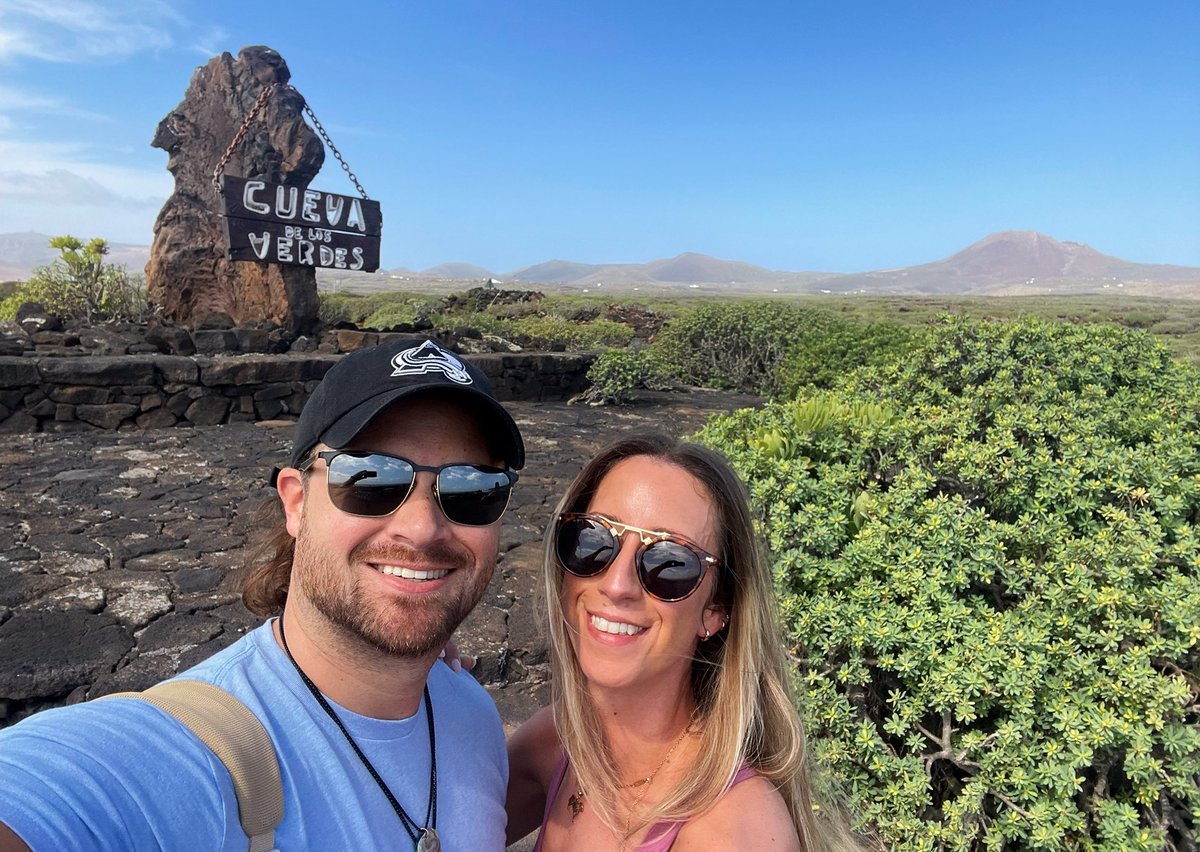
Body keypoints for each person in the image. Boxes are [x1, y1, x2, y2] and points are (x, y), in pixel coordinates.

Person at [0, 337, 524, 851]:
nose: (422, 530)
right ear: (296, 503)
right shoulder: (184, 756)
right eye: (370, 479)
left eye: (472, 488)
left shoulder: (468, 713)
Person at [506, 433, 857, 851]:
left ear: (715, 609)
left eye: (670, 563)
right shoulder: (559, 741)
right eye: (594, 541)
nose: (617, 585)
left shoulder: (735, 832)